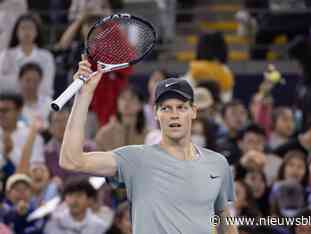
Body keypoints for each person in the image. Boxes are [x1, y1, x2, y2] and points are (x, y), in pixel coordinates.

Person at [59, 58, 238, 234]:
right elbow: (71, 161)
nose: (174, 115)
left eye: (181, 107)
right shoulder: (134, 159)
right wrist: (84, 96)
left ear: (193, 111)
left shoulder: (217, 163)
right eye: (166, 108)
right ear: (155, 113)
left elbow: (224, 220)